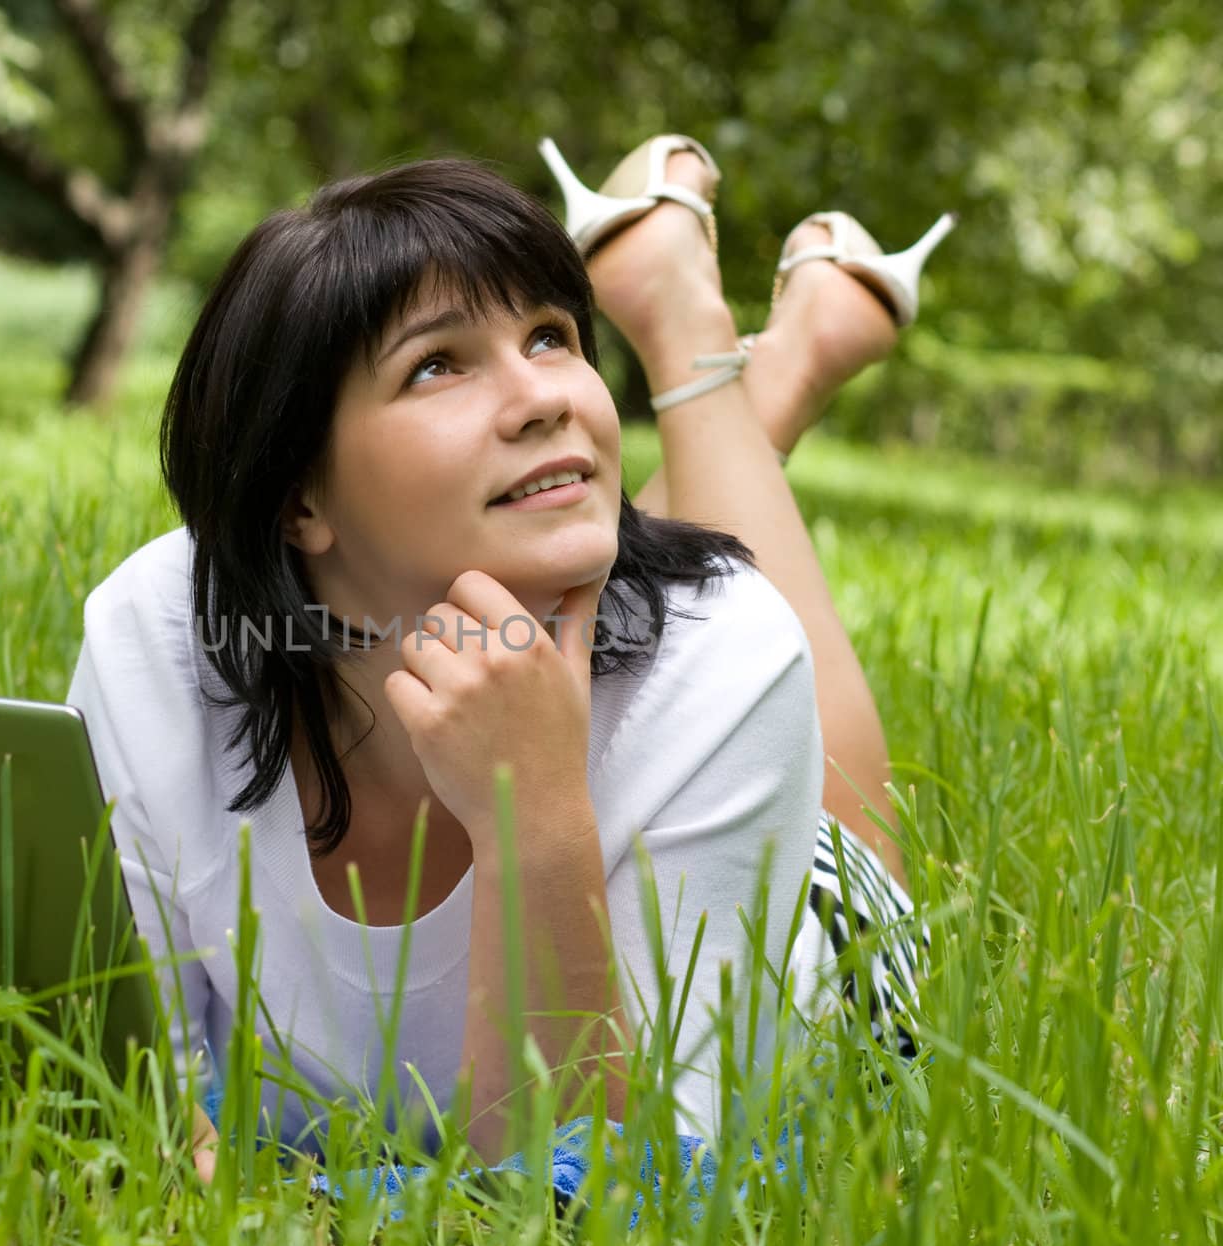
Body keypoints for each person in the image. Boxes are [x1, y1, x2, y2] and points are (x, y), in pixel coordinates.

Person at [65, 134, 945, 1174]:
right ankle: (758, 373)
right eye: (436, 363)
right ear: (298, 496)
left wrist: (535, 806)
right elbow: (120, 1109)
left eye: (550, 335)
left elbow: (589, 1189)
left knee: (801, 740)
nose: (547, 397)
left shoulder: (727, 656)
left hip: (812, 921)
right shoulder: (160, 633)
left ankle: (696, 340)